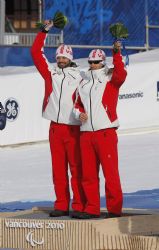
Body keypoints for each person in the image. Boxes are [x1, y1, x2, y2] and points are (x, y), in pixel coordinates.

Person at [31, 21, 85, 217]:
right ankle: (62, 205)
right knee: (58, 170)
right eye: (59, 56)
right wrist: (44, 31)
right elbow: (36, 53)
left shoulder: (80, 77)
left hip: (73, 129)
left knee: (76, 169)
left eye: (64, 57)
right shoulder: (51, 74)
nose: (61, 59)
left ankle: (79, 205)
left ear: (70, 58)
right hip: (55, 129)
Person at [73, 42, 127, 219]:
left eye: (96, 62)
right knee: (88, 175)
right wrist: (79, 113)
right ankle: (92, 208)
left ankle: (114, 209)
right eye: (90, 61)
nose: (92, 65)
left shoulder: (110, 77)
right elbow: (77, 104)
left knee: (110, 173)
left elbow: (122, 74)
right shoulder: (83, 81)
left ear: (103, 62)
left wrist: (116, 53)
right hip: (86, 134)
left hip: (105, 132)